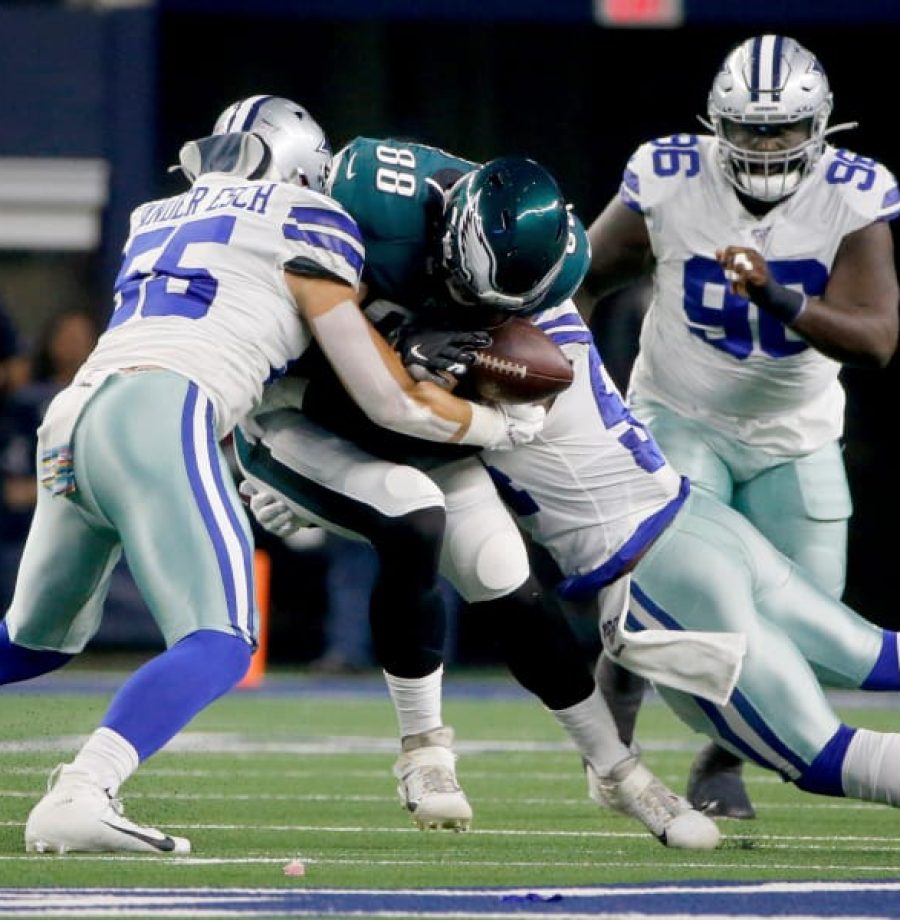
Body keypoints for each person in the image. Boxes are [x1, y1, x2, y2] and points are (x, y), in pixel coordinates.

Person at [0, 104, 537, 856]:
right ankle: (82, 793)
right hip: (164, 411)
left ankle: (84, 790)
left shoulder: (154, 215)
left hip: (77, 416)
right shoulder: (313, 219)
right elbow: (387, 397)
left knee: (33, 646)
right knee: (221, 639)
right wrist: (496, 427)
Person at [229, 105, 721, 849]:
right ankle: (424, 751)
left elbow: (446, 371)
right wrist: (479, 413)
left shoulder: (550, 259)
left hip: (401, 406)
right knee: (414, 513)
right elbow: (307, 372)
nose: (476, 311)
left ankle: (621, 773)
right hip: (296, 409)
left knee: (504, 572)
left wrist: (460, 368)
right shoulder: (353, 212)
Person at [576, 34, 900, 818]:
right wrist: (577, 393)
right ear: (717, 122)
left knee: (814, 635)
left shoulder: (853, 195)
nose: (764, 144)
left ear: (819, 126)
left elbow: (876, 338)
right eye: (750, 128)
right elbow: (582, 276)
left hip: (797, 430)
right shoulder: (668, 176)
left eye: (782, 128)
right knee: (686, 600)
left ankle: (720, 760)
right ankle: (622, 689)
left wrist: (779, 299)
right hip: (682, 413)